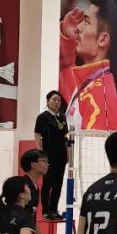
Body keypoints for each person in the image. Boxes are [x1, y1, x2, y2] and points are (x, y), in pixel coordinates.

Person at [58, 0, 117, 132]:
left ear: (103, 39)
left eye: (86, 22)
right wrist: (65, 32)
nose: (78, 27)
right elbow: (64, 68)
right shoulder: (87, 83)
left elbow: (94, 147)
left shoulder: (100, 95)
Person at [35, 91, 72, 219]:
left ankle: (54, 210)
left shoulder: (62, 117)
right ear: (48, 101)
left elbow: (65, 137)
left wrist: (68, 154)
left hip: (61, 154)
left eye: (59, 100)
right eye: (54, 99)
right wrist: (41, 154)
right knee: (48, 183)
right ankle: (46, 211)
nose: (56, 102)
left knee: (58, 184)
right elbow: (37, 135)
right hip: (48, 153)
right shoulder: (43, 117)